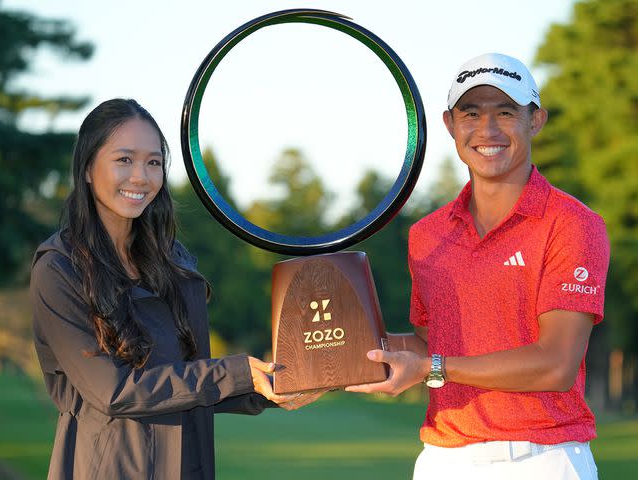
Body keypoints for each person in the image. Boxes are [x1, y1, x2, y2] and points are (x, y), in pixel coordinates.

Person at [347, 53, 609, 479]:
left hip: (543, 460)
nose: (487, 130)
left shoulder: (573, 224)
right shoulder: (427, 235)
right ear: (451, 124)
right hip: (442, 461)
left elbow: (557, 364)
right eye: (472, 113)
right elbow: (434, 345)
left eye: (505, 112)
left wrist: (433, 369)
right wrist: (340, 350)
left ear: (535, 120)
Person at [30, 98, 319, 480]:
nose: (141, 177)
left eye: (153, 162)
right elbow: (113, 391)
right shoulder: (59, 267)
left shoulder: (172, 261)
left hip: (188, 464)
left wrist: (268, 386)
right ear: (86, 168)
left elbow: (184, 381)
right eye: (124, 160)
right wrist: (234, 373)